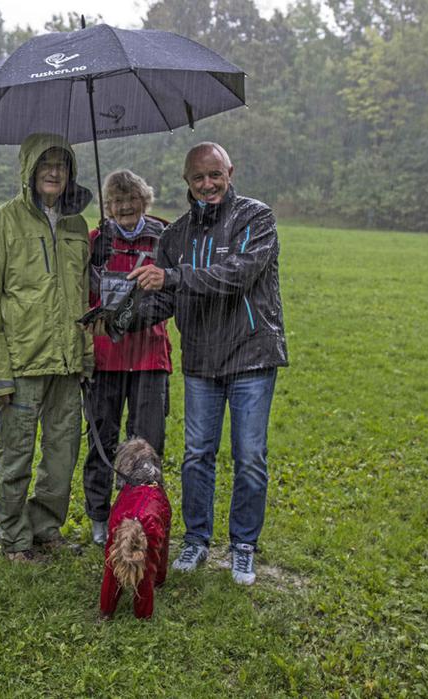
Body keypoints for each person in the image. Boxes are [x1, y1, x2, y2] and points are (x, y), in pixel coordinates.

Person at [126, 142, 288, 585]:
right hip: (202, 361)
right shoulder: (175, 236)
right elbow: (161, 299)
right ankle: (197, 539)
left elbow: (236, 274)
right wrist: (118, 315)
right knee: (197, 455)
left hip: (252, 354)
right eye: (198, 178)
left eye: (215, 175)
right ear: (187, 182)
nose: (208, 184)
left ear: (229, 171)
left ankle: (243, 547)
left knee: (250, 456)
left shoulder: (257, 218)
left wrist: (174, 277)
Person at [0, 132, 94, 563]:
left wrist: (86, 355)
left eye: (62, 164)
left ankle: (45, 526)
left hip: (67, 362)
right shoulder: (2, 223)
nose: (54, 171)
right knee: (16, 456)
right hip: (20, 365)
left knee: (62, 457)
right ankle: (15, 539)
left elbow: (82, 295)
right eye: (46, 163)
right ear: (28, 169)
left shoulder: (78, 225)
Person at [83, 169, 173, 546]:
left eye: (131, 199)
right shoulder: (96, 240)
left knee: (147, 443)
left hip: (150, 356)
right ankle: (100, 517)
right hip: (106, 359)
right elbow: (84, 294)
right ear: (108, 205)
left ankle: (138, 512)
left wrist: (132, 317)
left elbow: (171, 291)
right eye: (116, 201)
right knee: (101, 440)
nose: (124, 206)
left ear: (144, 200)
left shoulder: (164, 237)